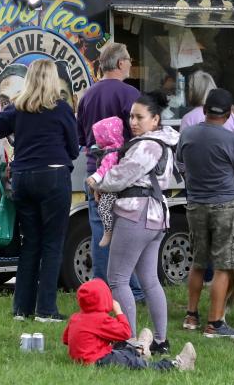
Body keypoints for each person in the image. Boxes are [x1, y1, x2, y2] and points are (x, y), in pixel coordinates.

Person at [0, 58, 79, 322]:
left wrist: (0, 163)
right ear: (51, 81)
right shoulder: (61, 110)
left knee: (30, 244)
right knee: (52, 244)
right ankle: (46, 309)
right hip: (54, 175)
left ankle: (21, 309)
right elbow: (74, 149)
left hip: (23, 177)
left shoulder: (16, 109)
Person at [87, 92, 180, 352]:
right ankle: (161, 341)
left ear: (155, 119)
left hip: (135, 215)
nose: (133, 122)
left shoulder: (147, 145)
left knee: (117, 279)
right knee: (149, 280)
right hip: (155, 217)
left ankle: (128, 340)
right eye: (131, 116)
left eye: (139, 117)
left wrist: (98, 182)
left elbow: (121, 176)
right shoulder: (161, 143)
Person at [177, 87, 234, 339]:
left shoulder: (187, 134)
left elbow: (180, 165)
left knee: (198, 262)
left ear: (205, 110)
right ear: (229, 114)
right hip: (225, 206)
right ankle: (215, 324)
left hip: (195, 205)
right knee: (223, 266)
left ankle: (191, 316)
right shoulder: (233, 139)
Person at [75, 42, 141, 297]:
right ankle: (130, 290)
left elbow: (81, 137)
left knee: (100, 232)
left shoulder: (87, 96)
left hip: (95, 174)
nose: (131, 64)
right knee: (127, 233)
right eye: (129, 60)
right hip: (123, 175)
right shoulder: (130, 94)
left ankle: (101, 291)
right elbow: (140, 134)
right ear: (120, 63)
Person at [62, 278, 196, 371]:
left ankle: (141, 349)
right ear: (104, 300)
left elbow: (66, 339)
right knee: (134, 362)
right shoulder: (100, 320)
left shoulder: (76, 318)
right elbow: (126, 332)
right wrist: (119, 312)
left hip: (83, 359)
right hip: (98, 361)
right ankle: (177, 365)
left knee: (119, 351)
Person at [88, 116, 126, 248]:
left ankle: (108, 231)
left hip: (112, 188)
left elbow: (104, 169)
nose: (97, 141)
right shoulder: (117, 148)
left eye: (99, 137)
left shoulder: (111, 153)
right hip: (112, 187)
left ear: (106, 136)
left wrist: (94, 178)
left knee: (103, 209)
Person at [181, 71, 234, 136]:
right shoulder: (228, 115)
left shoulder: (189, 118)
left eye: (190, 89)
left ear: (194, 91)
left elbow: (183, 144)